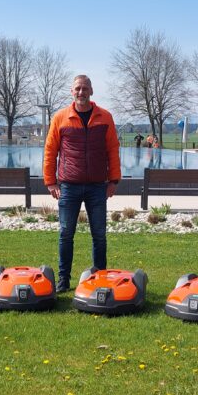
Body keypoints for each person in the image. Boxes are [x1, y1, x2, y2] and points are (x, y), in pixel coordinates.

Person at [43, 75, 121, 293]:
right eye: (77, 88)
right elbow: (50, 151)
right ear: (71, 92)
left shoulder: (105, 117)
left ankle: (101, 279)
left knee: (99, 235)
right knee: (66, 234)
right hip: (69, 186)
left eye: (85, 88)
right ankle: (63, 280)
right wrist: (51, 182)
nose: (81, 92)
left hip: (97, 187)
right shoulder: (60, 117)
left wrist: (113, 180)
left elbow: (112, 150)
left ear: (92, 91)